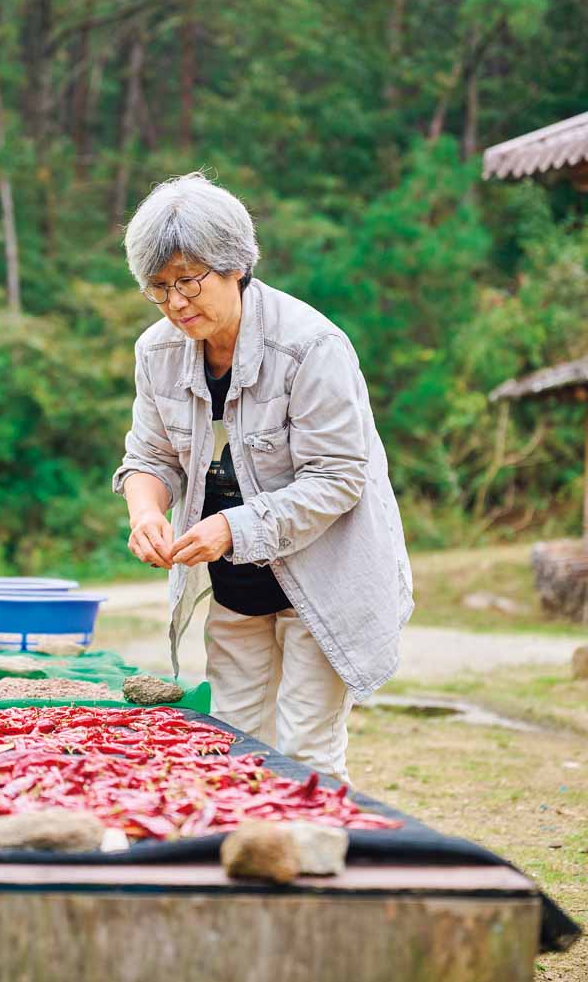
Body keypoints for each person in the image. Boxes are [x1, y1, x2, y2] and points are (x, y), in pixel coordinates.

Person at [111, 172, 413, 782]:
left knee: (305, 752)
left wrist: (230, 526)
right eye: (159, 287)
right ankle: (245, 865)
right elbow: (149, 458)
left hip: (323, 573)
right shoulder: (158, 351)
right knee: (235, 743)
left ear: (234, 266)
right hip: (234, 583)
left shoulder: (310, 346)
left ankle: (311, 864)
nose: (176, 303)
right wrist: (146, 514)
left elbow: (338, 476)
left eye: (189, 281)